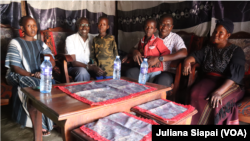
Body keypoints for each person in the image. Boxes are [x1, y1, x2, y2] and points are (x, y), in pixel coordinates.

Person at [182, 18, 245, 125]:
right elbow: (195, 56)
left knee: (216, 102)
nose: (216, 34)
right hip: (209, 80)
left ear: (228, 35)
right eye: (215, 31)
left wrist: (218, 92)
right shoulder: (209, 48)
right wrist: (187, 61)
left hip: (229, 83)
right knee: (194, 94)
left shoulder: (236, 50)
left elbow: (235, 76)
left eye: (221, 33)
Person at [5, 16, 54, 135]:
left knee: (50, 82)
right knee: (36, 83)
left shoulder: (39, 43)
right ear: (22, 28)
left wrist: (46, 70)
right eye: (29, 25)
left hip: (36, 75)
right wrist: (32, 74)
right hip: (16, 74)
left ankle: (50, 120)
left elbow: (51, 58)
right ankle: (41, 124)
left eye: (34, 25)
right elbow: (16, 67)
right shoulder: (15, 42)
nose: (33, 28)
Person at [124, 18, 170, 82]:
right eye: (146, 27)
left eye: (151, 27)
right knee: (141, 84)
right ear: (143, 28)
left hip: (155, 70)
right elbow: (137, 51)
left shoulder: (158, 41)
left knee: (152, 86)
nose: (148, 29)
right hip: (143, 69)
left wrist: (158, 59)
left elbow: (167, 52)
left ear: (155, 30)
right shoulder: (141, 41)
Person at [151, 14, 187, 87]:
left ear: (172, 27)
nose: (164, 27)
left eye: (168, 25)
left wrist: (159, 59)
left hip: (167, 71)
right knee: (132, 73)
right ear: (158, 24)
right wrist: (135, 52)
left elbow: (184, 52)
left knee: (161, 81)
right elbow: (137, 47)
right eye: (162, 24)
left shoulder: (175, 38)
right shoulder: (152, 36)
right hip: (151, 69)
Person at [65, 17, 105, 82]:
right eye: (81, 25)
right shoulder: (70, 39)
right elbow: (73, 62)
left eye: (86, 25)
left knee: (104, 70)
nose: (84, 28)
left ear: (89, 27)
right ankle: (82, 92)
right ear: (76, 26)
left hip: (92, 66)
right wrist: (90, 67)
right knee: (83, 72)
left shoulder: (94, 38)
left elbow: (106, 38)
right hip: (75, 67)